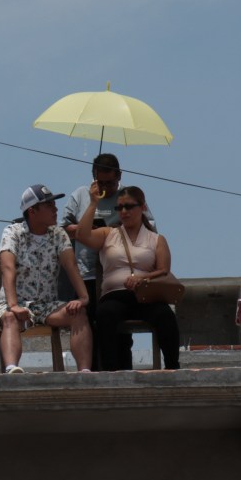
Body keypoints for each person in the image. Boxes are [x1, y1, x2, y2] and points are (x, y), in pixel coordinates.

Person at [61, 154, 155, 368]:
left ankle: (122, 370)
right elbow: (62, 228)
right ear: (93, 177)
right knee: (88, 325)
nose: (105, 188)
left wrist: (115, 232)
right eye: (101, 183)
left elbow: (150, 228)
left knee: (120, 329)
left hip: (120, 275)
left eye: (110, 183)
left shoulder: (129, 197)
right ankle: (92, 371)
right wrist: (84, 229)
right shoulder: (80, 195)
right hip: (87, 273)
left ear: (119, 176)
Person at [75, 184, 180, 371]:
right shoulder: (109, 234)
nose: (123, 211)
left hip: (146, 296)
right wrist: (93, 203)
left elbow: (164, 270)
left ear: (143, 207)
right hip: (115, 295)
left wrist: (143, 278)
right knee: (105, 314)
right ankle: (110, 371)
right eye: (120, 207)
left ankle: (173, 367)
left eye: (129, 206)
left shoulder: (156, 239)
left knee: (165, 316)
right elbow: (81, 235)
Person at [0, 184, 92, 374]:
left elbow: (71, 265)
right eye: (49, 205)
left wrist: (83, 298)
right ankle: (12, 369)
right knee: (9, 317)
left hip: (46, 304)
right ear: (32, 211)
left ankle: (84, 372)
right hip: (16, 303)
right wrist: (13, 305)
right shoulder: (12, 232)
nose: (55, 209)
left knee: (79, 313)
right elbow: (7, 268)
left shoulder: (58, 234)